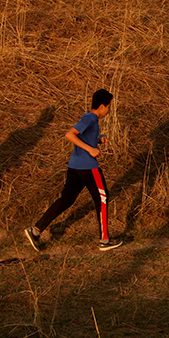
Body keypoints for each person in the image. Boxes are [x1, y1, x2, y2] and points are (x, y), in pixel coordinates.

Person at [24, 89, 122, 252]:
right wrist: (91, 150)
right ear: (102, 106)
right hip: (88, 167)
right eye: (108, 106)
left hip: (75, 166)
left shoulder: (89, 118)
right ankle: (105, 240)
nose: (108, 110)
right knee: (102, 199)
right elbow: (70, 135)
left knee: (66, 200)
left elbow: (82, 136)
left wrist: (97, 139)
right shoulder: (90, 118)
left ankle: (35, 231)